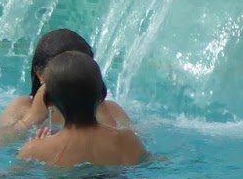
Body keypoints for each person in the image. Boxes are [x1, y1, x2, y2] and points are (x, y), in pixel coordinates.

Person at [0, 28, 131, 144]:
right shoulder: (22, 107)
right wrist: (33, 117)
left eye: (82, 68)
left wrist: (101, 108)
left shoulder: (110, 109)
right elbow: (0, 141)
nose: (73, 77)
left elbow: (127, 145)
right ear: (40, 74)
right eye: (62, 70)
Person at [17, 51, 148, 168]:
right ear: (102, 94)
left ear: (49, 102)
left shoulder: (34, 150)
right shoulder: (127, 140)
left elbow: (15, 178)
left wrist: (38, 148)